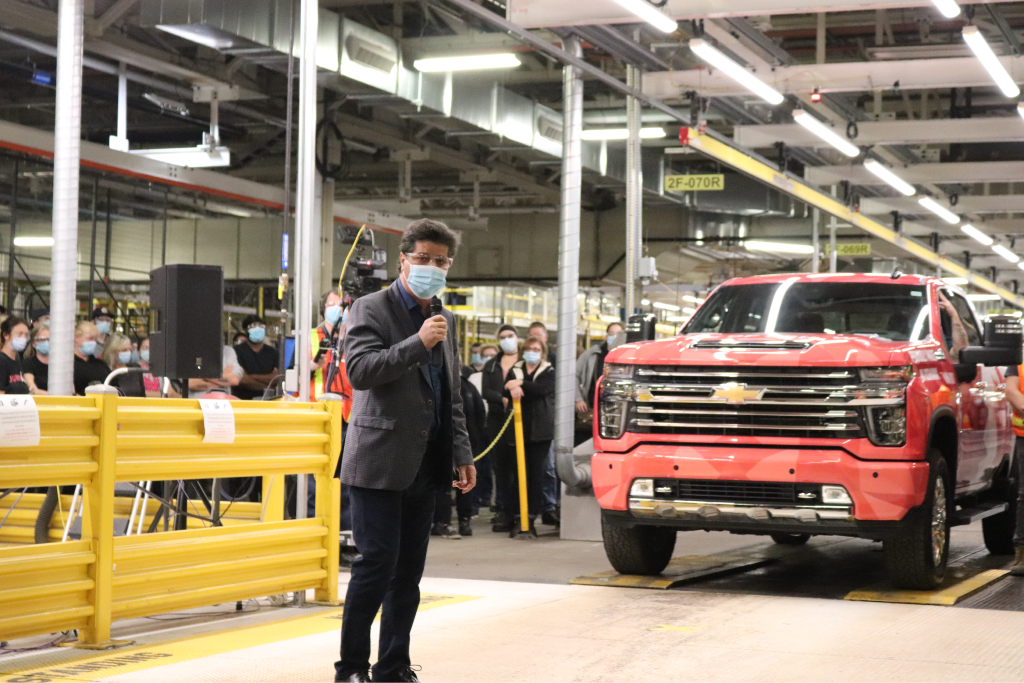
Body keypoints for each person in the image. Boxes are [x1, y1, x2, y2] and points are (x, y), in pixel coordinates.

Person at [335, 218, 474, 683]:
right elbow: (360, 373)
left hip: (427, 462)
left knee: (408, 574)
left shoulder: (445, 318)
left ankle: (393, 666)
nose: (432, 267)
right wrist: (418, 343)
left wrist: (462, 453)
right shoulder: (370, 308)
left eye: (441, 261)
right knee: (376, 566)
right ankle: (351, 668)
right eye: (423, 258)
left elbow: (450, 394)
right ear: (403, 259)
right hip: (378, 459)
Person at [501, 335, 555, 534]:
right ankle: (516, 517)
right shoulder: (515, 369)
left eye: (536, 349)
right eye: (529, 348)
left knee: (535, 476)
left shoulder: (549, 371)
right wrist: (512, 386)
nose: (532, 352)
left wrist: (518, 384)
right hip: (517, 430)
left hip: (540, 432)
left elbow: (542, 390)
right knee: (517, 475)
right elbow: (504, 391)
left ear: (543, 353)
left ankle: (530, 518)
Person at [432, 374, 487, 538]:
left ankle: (464, 520)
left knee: (465, 482)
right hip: (441, 441)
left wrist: (475, 438)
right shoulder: (438, 382)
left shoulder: (468, 387)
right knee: (444, 485)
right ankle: (442, 522)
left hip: (466, 442)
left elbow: (479, 412)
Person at [481, 325, 521, 532]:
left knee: (519, 468)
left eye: (510, 336)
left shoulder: (524, 363)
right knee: (502, 469)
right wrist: (502, 399)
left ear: (517, 338)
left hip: (520, 421)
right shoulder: (491, 365)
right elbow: (486, 390)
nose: (507, 340)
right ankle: (504, 511)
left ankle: (520, 512)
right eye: (502, 337)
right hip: (498, 420)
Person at [574, 321, 623, 444]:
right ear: (606, 336)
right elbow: (574, 375)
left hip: (616, 414)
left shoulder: (627, 356)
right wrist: (578, 399)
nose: (614, 337)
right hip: (591, 413)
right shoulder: (593, 354)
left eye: (618, 334)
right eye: (611, 333)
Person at [233, 315, 280, 400]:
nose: (258, 329)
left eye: (261, 326)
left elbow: (277, 378)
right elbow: (241, 379)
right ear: (245, 331)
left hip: (268, 401)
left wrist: (251, 377)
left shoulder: (273, 352)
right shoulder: (236, 351)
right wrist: (268, 387)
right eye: (253, 326)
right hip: (241, 400)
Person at [73, 321, 112, 396]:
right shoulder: (68, 365)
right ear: (76, 337)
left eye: (95, 340)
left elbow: (114, 386)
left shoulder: (101, 365)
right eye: (90, 338)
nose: (93, 343)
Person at [0, 316, 30, 394]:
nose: (23, 338)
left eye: (25, 335)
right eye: (19, 334)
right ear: (6, 335)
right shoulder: (2, 360)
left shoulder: (17, 359)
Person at [23, 323, 49, 395]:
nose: (46, 343)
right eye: (41, 340)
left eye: (49, 339)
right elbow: (32, 390)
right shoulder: (28, 363)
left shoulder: (60, 365)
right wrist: (55, 395)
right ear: (33, 343)